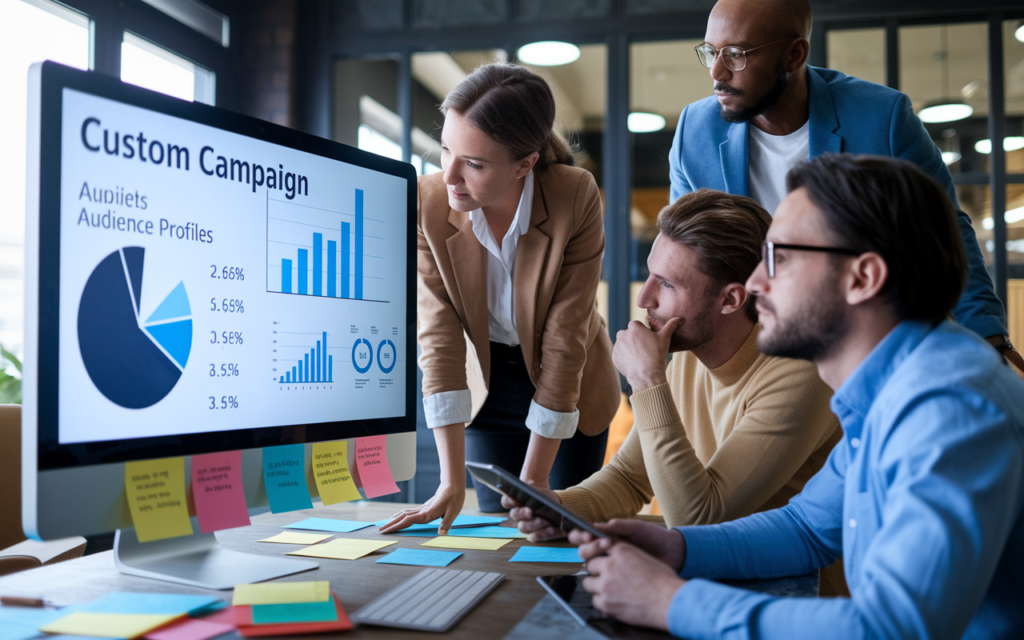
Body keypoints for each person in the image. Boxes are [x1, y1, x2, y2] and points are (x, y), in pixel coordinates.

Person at [572, 154, 1024, 639]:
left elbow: (893, 629)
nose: (755, 283)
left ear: (862, 278)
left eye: (780, 259)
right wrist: (678, 548)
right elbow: (807, 528)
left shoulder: (950, 409)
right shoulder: (889, 386)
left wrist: (670, 601)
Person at [669, 0, 1023, 373]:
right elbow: (685, 253)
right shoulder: (696, 129)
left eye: (736, 55)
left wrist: (987, 338)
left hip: (866, 341)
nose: (717, 71)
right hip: (755, 344)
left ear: (794, 55)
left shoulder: (882, 118)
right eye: (711, 52)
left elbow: (945, 232)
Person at [509, 190, 839, 544]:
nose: (644, 298)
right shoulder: (689, 350)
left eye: (667, 284)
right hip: (712, 568)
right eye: (651, 275)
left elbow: (699, 519)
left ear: (730, 299)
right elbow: (629, 478)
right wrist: (559, 510)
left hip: (790, 577)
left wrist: (646, 380)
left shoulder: (802, 373)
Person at [382, 63, 619, 532]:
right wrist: (449, 481)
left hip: (569, 383)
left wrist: (533, 480)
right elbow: (439, 340)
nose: (449, 176)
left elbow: (566, 339)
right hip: (485, 383)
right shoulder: (429, 202)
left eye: (473, 164)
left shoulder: (574, 196)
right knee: (499, 531)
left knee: (559, 532)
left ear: (524, 164)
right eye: (445, 149)